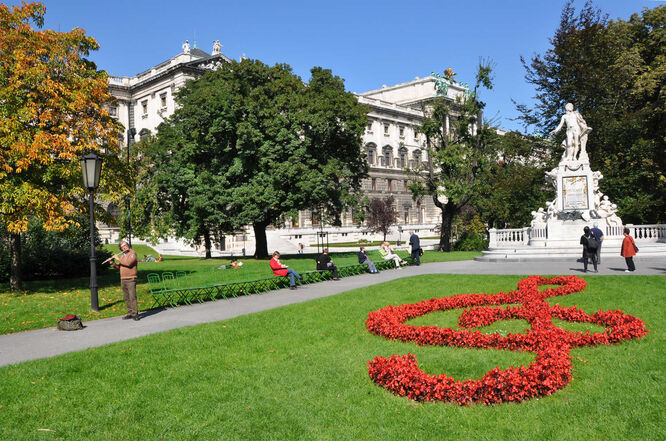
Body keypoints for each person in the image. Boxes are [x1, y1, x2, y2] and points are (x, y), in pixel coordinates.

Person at [111, 240, 140, 320]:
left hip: (131, 278)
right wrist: (113, 263)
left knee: (132, 297)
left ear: (128, 245)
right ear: (121, 248)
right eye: (122, 246)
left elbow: (128, 263)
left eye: (125, 245)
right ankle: (130, 313)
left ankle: (135, 314)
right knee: (126, 297)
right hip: (123, 279)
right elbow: (119, 267)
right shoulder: (123, 255)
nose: (124, 247)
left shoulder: (132, 253)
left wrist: (117, 258)